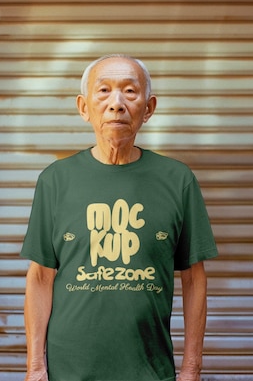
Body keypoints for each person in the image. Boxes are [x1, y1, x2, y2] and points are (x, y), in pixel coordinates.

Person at [21, 54, 218, 381]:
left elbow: (194, 279)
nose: (116, 103)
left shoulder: (177, 180)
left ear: (149, 107)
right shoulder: (55, 180)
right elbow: (40, 277)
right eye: (104, 91)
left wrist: (191, 368)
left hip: (150, 371)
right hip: (67, 371)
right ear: (84, 108)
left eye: (130, 91)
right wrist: (35, 367)